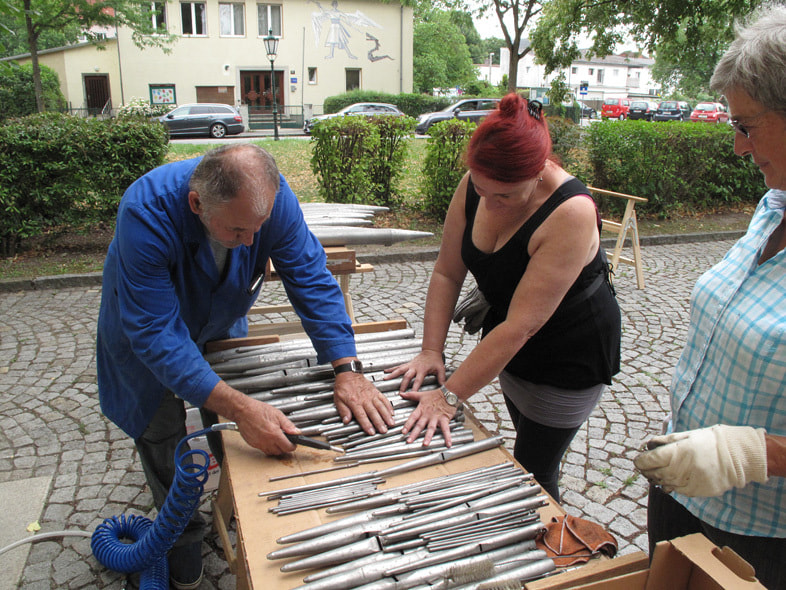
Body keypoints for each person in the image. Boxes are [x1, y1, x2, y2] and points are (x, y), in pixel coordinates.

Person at [96, 143, 394, 589]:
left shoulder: (271, 198)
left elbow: (310, 276)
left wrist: (347, 368)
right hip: (145, 329)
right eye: (238, 230)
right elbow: (156, 333)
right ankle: (180, 537)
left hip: (219, 315)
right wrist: (240, 408)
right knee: (160, 429)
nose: (253, 243)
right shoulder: (145, 211)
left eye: (259, 227)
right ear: (197, 204)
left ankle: (241, 501)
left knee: (234, 416)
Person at [386, 94, 621, 502]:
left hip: (569, 356)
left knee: (535, 471)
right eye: (483, 190)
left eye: (506, 197)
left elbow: (520, 327)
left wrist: (448, 397)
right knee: (524, 440)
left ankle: (551, 532)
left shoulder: (571, 212)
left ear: (538, 172)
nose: (490, 204)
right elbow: (447, 271)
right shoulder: (477, 183)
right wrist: (430, 350)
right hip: (509, 346)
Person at [633, 6, 786, 588]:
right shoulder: (774, 204)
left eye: (747, 125)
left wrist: (749, 454)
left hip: (760, 538)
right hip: (684, 495)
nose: (740, 147)